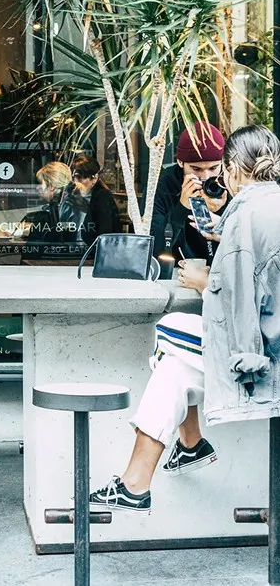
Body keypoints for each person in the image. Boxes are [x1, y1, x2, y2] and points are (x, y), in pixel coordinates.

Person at [89, 124, 280, 514]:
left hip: (261, 352)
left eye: (217, 168)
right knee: (173, 370)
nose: (212, 177)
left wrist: (206, 280)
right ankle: (137, 482)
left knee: (168, 330)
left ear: (230, 167)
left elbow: (243, 292)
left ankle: (189, 445)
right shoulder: (267, 204)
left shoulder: (248, 215)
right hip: (267, 339)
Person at [150, 122, 228, 265]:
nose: (205, 176)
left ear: (223, 163)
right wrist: (182, 207)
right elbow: (153, 248)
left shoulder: (229, 182)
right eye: (196, 169)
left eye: (213, 168)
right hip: (176, 270)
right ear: (180, 162)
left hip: (221, 271)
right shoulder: (165, 185)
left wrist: (220, 211)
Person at [23, 162, 78, 249]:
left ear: (52, 186)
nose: (38, 187)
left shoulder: (53, 210)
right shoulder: (78, 203)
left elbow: (34, 249)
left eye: (41, 183)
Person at [69, 154, 122, 244]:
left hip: (92, 251)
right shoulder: (70, 196)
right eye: (73, 177)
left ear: (94, 178)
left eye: (81, 177)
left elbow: (105, 231)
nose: (76, 182)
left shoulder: (102, 196)